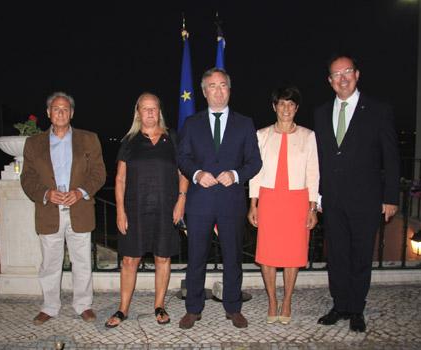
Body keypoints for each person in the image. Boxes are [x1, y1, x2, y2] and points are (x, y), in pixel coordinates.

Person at [314, 55, 399, 332]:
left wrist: (391, 197)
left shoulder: (378, 110)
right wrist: (319, 196)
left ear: (357, 74)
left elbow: (391, 157)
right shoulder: (321, 112)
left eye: (347, 71)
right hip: (333, 201)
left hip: (366, 199)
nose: (342, 78)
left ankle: (356, 308)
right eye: (336, 74)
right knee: (336, 254)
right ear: (330, 81)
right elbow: (321, 158)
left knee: (361, 255)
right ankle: (339, 305)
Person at [177, 68, 262, 329]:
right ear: (203, 92)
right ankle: (193, 308)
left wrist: (236, 175)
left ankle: (233, 307)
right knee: (196, 257)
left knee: (233, 256)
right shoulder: (192, 124)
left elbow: (255, 162)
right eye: (212, 86)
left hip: (231, 202)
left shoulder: (245, 123)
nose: (218, 90)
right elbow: (182, 158)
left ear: (229, 89)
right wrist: (197, 173)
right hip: (200, 202)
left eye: (223, 85)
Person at [21, 91, 106, 325]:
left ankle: (83, 305)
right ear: (48, 113)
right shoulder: (33, 143)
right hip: (49, 211)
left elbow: (99, 174)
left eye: (65, 109)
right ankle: (49, 306)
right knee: (50, 263)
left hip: (80, 208)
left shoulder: (89, 139)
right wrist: (47, 193)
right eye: (56, 109)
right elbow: (27, 179)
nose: (61, 112)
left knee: (82, 262)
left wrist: (80, 192)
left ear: (72, 113)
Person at [105, 92, 189, 328]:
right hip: (135, 210)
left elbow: (183, 173)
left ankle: (159, 305)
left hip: (166, 210)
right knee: (130, 260)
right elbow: (120, 180)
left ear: (159, 111)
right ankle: (123, 309)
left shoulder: (172, 138)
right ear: (138, 112)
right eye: (145, 108)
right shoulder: (129, 141)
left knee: (163, 258)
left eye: (154, 108)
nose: (150, 112)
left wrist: (181, 200)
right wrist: (120, 211)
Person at [248, 86, 319, 325]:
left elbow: (313, 174)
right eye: (282, 103)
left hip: (297, 201)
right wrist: (253, 204)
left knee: (292, 254)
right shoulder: (262, 135)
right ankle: (271, 301)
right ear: (274, 106)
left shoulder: (308, 136)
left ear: (297, 108)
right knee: (267, 255)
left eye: (291, 104)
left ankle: (287, 301)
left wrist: (312, 208)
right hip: (269, 199)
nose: (286, 109)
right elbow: (255, 173)